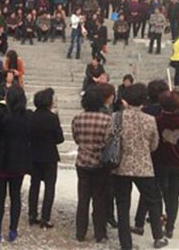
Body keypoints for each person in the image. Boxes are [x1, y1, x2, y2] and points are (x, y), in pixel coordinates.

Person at [110, 83, 167, 250]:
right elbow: (155, 144)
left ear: (125, 99)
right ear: (144, 101)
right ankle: (158, 236)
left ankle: (125, 243)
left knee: (122, 204)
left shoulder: (116, 117)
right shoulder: (150, 120)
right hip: (143, 166)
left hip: (120, 166)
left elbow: (110, 138)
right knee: (153, 201)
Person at [0, 86, 32, 243]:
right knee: (15, 196)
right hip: (19, 161)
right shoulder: (27, 117)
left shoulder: (2, 116)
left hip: (1, 160)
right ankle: (13, 230)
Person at [71, 87, 111, 243]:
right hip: (100, 163)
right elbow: (109, 141)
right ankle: (100, 233)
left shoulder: (77, 119)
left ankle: (80, 232)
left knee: (83, 199)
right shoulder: (107, 120)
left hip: (82, 162)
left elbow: (76, 138)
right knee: (99, 199)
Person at [151, 91, 179, 239]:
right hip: (176, 162)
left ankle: (158, 219)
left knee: (157, 192)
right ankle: (170, 226)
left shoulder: (156, 121)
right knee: (173, 195)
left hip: (159, 161)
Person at [28, 88, 64, 229]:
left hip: (34, 154)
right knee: (49, 188)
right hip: (49, 155)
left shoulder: (31, 116)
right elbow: (59, 138)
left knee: (34, 185)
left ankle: (32, 214)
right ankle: (45, 217)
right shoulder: (52, 117)